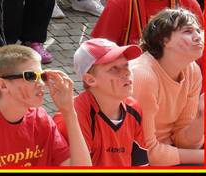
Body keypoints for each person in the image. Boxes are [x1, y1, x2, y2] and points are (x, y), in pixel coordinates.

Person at [0, 44, 92, 167]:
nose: (41, 83)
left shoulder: (41, 119)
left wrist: (69, 111)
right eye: (30, 76)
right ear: (3, 85)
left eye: (42, 76)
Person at [129, 8, 205, 165]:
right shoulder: (143, 75)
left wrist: (202, 115)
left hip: (167, 151)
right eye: (188, 31)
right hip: (136, 157)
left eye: (198, 30)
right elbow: (144, 151)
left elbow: (185, 141)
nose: (198, 37)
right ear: (164, 40)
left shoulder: (192, 69)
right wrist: (204, 157)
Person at [55, 38, 147, 168]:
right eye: (114, 69)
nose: (126, 72)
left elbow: (139, 163)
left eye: (126, 65)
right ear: (90, 80)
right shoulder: (72, 116)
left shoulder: (134, 108)